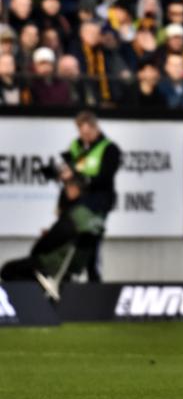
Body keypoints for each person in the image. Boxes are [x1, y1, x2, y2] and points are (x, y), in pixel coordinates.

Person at [61, 111, 122, 283]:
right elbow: (69, 170)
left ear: (96, 128)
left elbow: (105, 177)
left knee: (91, 241)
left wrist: (81, 179)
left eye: (88, 133)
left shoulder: (110, 149)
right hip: (77, 201)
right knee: (71, 240)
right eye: (82, 133)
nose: (85, 137)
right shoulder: (76, 146)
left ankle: (94, 281)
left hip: (99, 201)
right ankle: (68, 280)